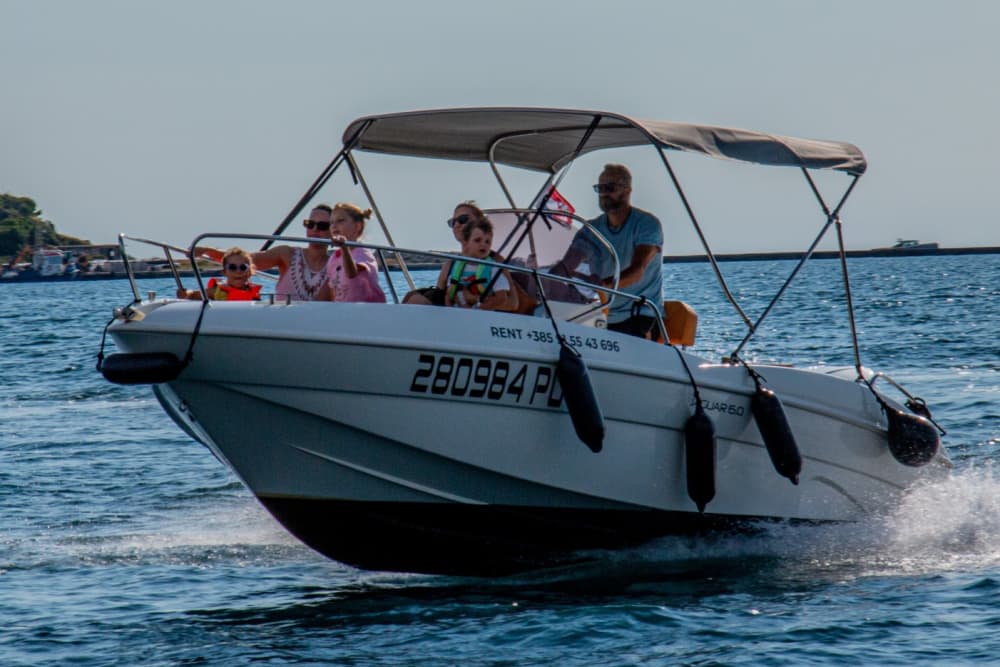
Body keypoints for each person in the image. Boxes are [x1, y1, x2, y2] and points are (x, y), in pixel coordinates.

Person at [555, 164, 663, 338]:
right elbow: (567, 266)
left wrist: (603, 285)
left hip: (640, 315)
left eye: (610, 188)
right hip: (603, 314)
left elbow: (637, 272)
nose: (604, 193)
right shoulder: (592, 229)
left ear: (627, 190)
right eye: (600, 188)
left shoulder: (647, 225)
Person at [193, 204, 333, 301]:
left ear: (333, 231)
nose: (315, 229)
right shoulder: (287, 253)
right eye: (310, 224)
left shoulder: (337, 263)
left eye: (322, 226)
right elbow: (245, 260)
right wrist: (209, 251)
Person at [402, 201, 485, 306]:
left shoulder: (495, 262)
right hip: (454, 316)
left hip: (482, 316)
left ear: (481, 223)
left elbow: (510, 302)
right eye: (452, 222)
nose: (457, 225)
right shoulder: (449, 266)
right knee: (413, 299)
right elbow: (439, 300)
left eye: (463, 219)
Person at [437, 217, 517, 311]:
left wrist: (477, 309)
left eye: (487, 242)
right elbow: (448, 295)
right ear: (466, 242)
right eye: (477, 240)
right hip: (458, 315)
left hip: (482, 315)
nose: (483, 244)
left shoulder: (493, 269)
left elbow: (502, 298)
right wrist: (450, 311)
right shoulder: (456, 268)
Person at [315, 203, 386, 303]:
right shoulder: (334, 258)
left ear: (357, 226)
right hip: (344, 310)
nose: (334, 226)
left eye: (340, 221)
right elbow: (333, 290)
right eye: (331, 223)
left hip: (367, 310)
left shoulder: (363, 253)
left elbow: (352, 273)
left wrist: (344, 248)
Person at [177, 247, 261, 300]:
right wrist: (186, 293)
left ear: (250, 272)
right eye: (232, 267)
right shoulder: (215, 291)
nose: (238, 271)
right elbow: (192, 295)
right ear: (224, 272)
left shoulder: (253, 292)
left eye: (243, 267)